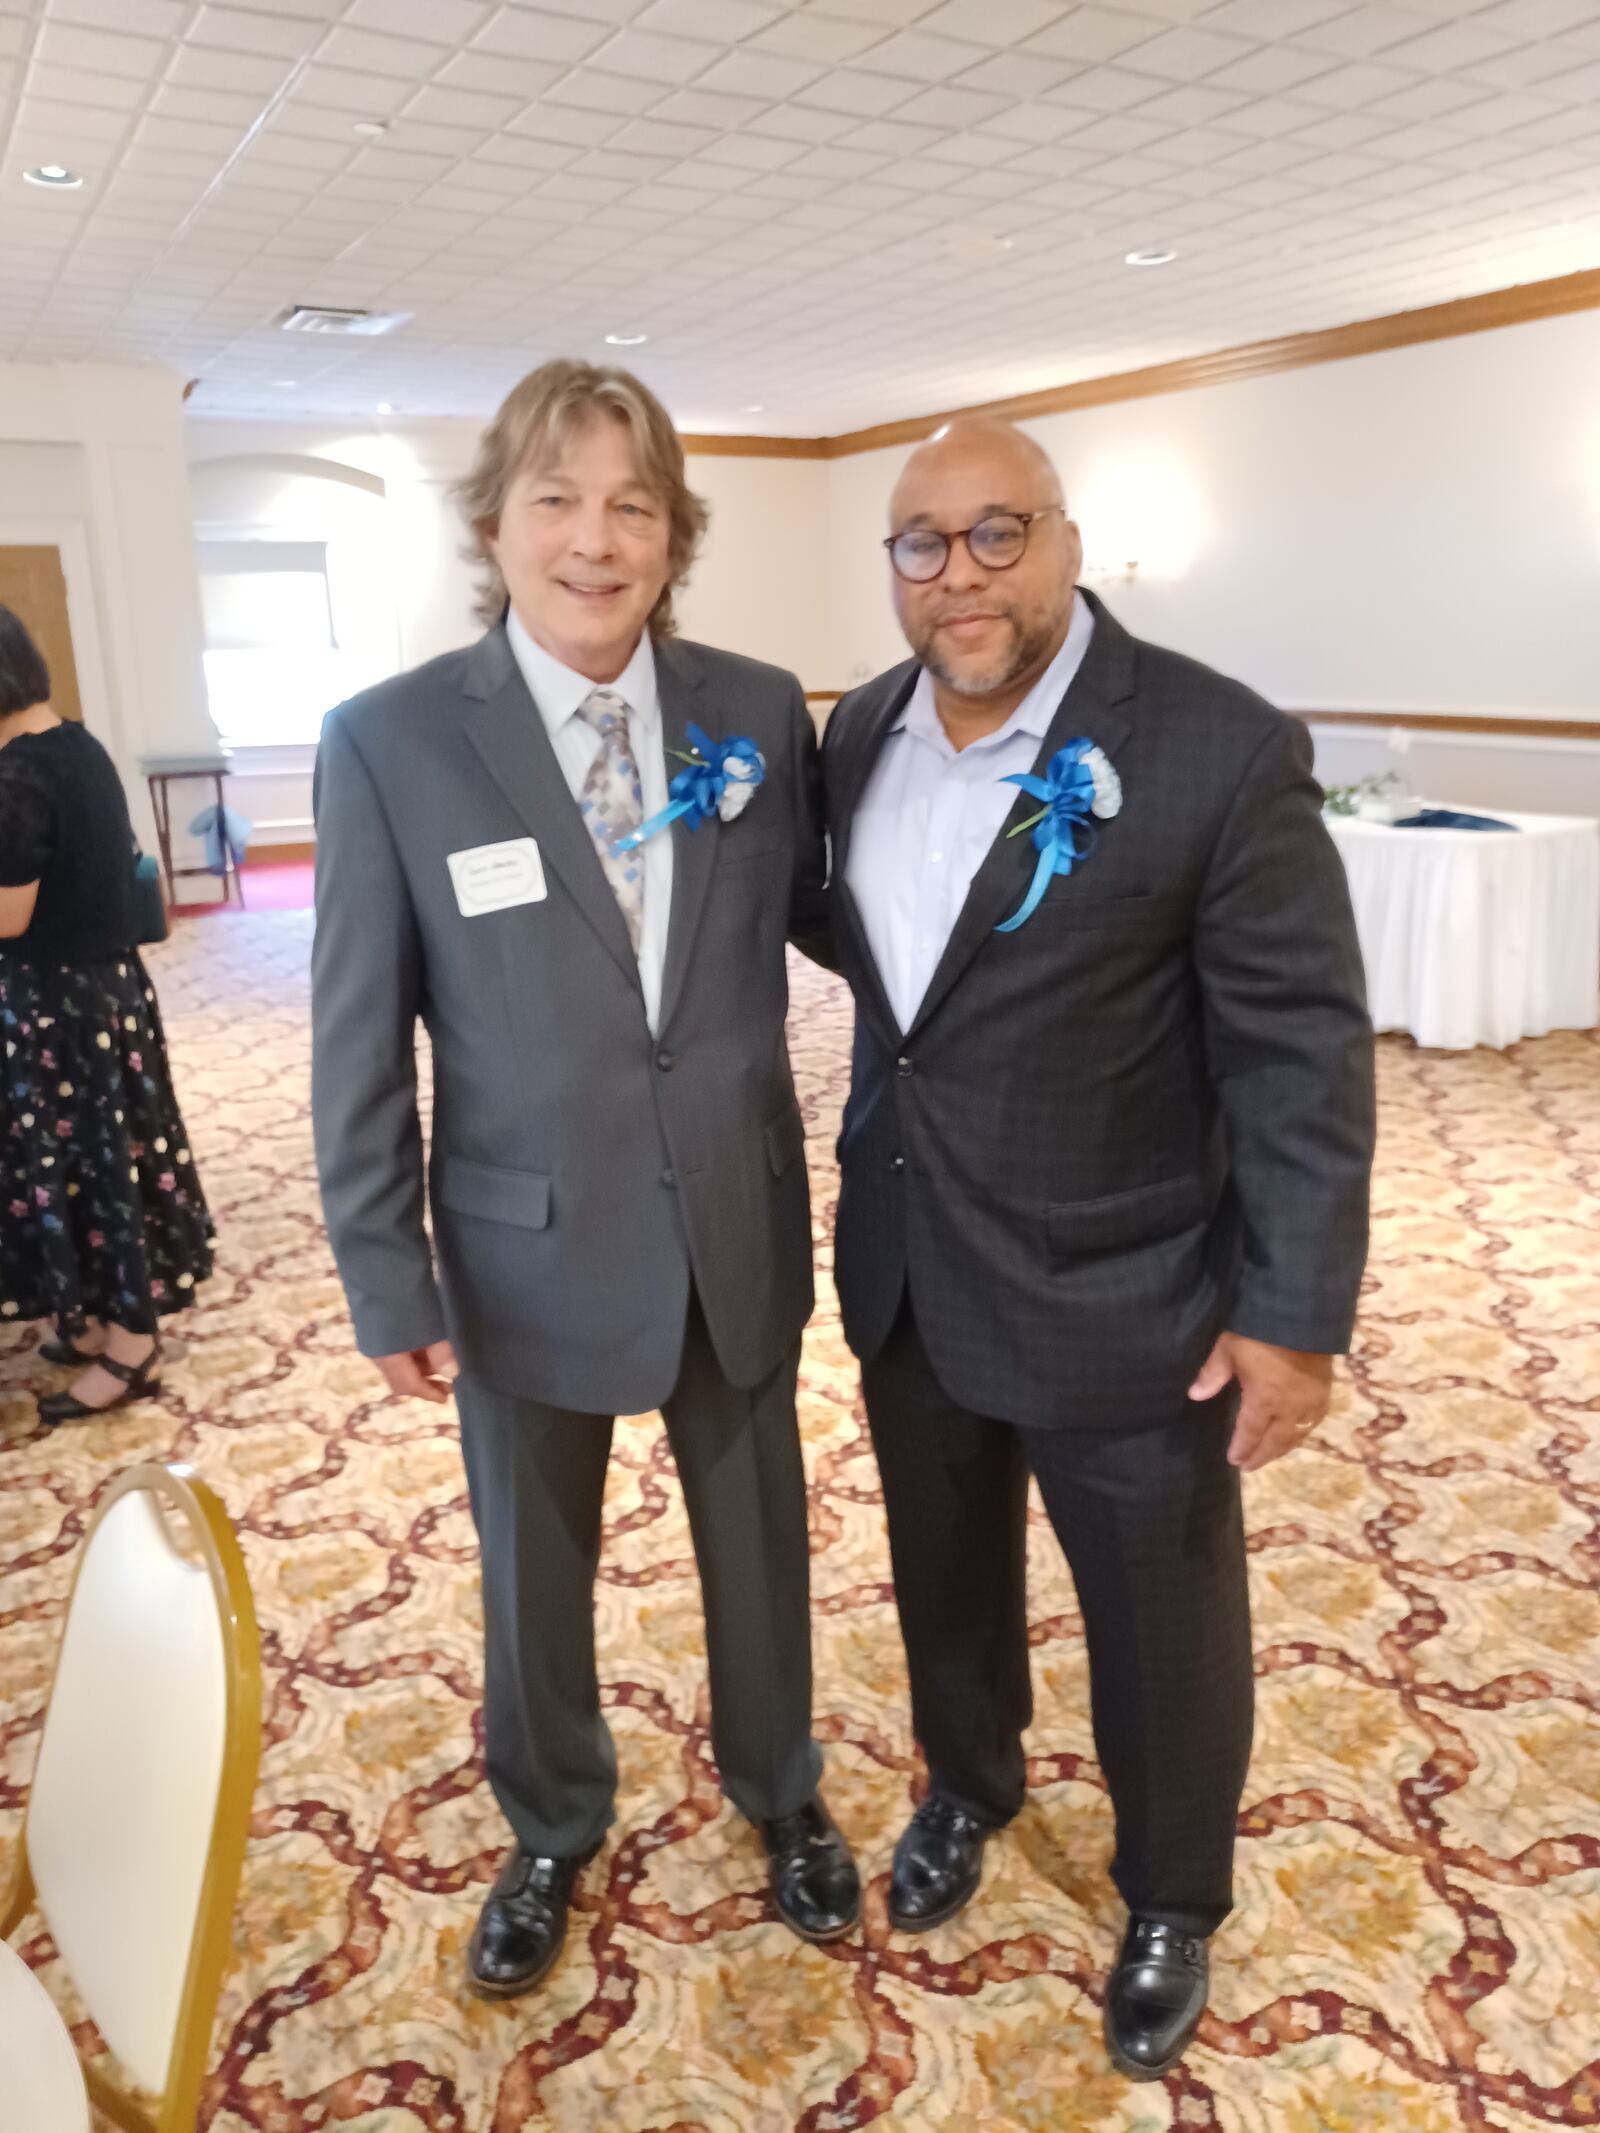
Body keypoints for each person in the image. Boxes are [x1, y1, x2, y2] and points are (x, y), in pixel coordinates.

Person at [818, 417, 1375, 2079]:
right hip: (913, 1254)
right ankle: (971, 1778)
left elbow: (1300, 1051)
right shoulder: (858, 730)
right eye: (925, 543)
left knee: (1160, 1609)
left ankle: (1171, 1891)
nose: (961, 573)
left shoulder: (1213, 745)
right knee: (946, 1570)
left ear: (1068, 543)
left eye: (999, 534)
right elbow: (873, 958)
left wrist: (1294, 1311)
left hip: (1130, 1289)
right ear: (896, 569)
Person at [310, 359, 860, 2002]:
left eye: (633, 502)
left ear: (675, 530)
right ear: (497, 524)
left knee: (761, 1536)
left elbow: (851, 917)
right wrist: (382, 1269)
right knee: (529, 1566)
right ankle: (550, 1817)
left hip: (734, 1217)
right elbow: (354, 1036)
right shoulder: (393, 740)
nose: (596, 537)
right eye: (558, 497)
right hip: (522, 1242)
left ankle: (784, 1787)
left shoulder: (759, 710)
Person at [0, 603, 213, 1421]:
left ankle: (130, 1345)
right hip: (102, 995)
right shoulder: (75, 744)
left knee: (91, 1170)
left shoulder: (16, 776)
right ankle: (96, 1321)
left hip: (57, 1008)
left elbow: (10, 917)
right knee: (103, 1160)